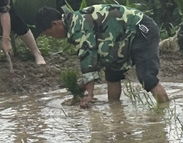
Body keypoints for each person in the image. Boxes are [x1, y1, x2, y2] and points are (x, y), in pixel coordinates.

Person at [35, 4, 168, 106]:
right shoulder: (74, 22)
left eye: (49, 33)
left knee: (147, 77)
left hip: (140, 29)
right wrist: (81, 87)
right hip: (121, 38)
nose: (53, 37)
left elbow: (88, 60)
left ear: (55, 24)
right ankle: (116, 113)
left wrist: (89, 95)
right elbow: (96, 57)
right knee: (112, 74)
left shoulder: (77, 26)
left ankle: (166, 112)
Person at [2, 0, 47, 68]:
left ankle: (36, 53)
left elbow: (3, 12)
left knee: (15, 21)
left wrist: (6, 40)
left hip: (3, 6)